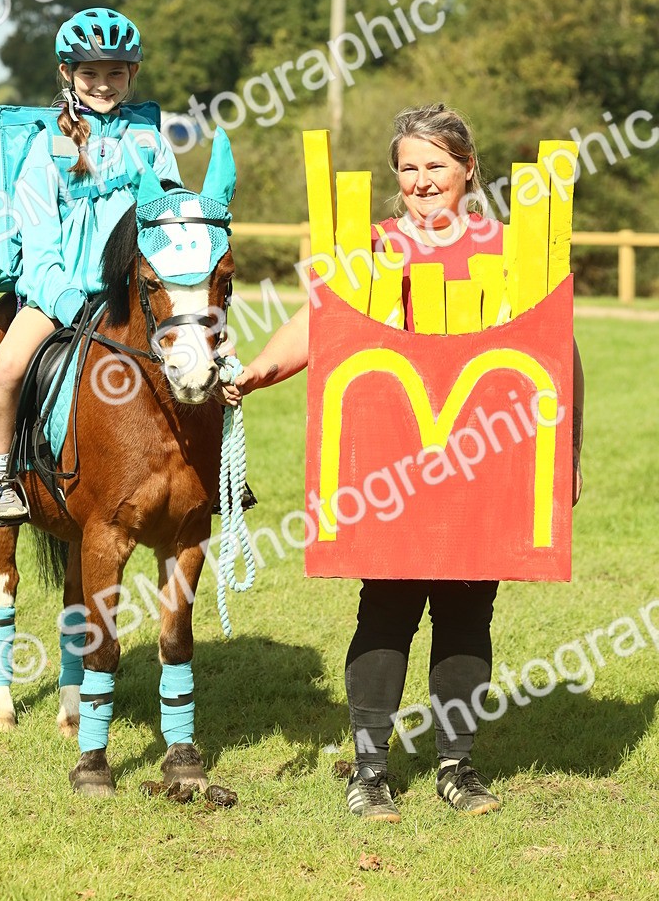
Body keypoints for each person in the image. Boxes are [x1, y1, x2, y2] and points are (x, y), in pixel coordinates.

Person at [220, 102, 585, 819]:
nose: (422, 181)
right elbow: (321, 320)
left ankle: (457, 766)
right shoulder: (373, 248)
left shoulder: (513, 248)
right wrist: (260, 370)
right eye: (409, 168)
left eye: (436, 165)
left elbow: (557, 353)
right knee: (387, 607)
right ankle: (369, 771)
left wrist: (566, 452)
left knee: (467, 608)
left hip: (484, 459)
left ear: (467, 168)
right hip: (390, 463)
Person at [0, 7, 182, 525]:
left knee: (201, 355)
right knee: (6, 368)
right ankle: (0, 475)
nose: (103, 84)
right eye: (90, 73)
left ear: (132, 73)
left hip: (132, 296)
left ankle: (218, 471)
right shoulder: (45, 148)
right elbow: (40, 249)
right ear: (67, 73)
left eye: (116, 72)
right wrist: (70, 302)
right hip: (58, 297)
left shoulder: (152, 142)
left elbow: (168, 220)